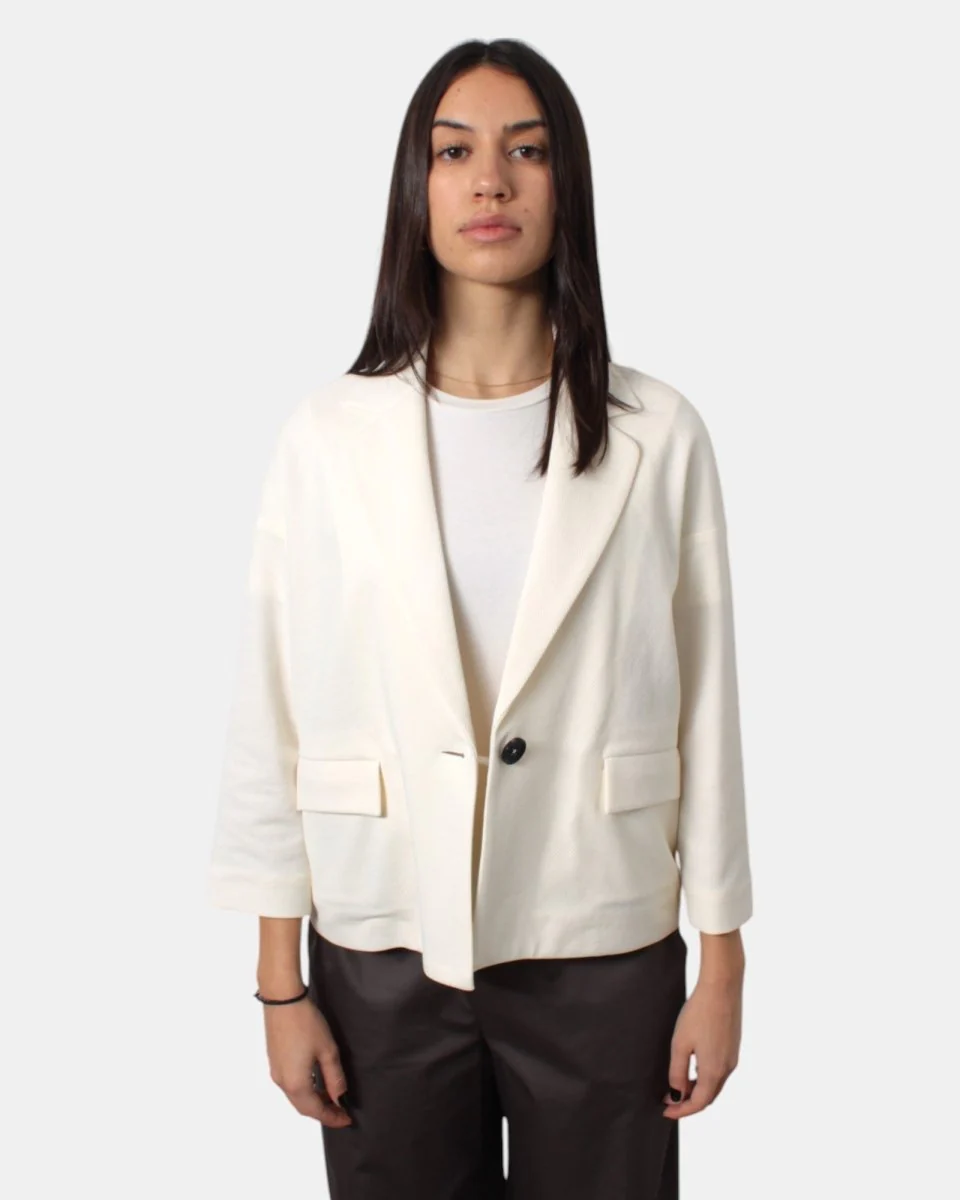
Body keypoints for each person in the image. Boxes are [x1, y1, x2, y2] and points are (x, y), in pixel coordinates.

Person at [207, 37, 752, 1199]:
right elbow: (273, 708)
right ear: (416, 188)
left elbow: (707, 708)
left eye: (527, 151)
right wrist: (278, 982)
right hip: (382, 937)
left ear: (568, 184)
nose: (490, 181)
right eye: (454, 152)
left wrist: (722, 963)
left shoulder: (661, 434)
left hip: (600, 939)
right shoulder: (325, 438)